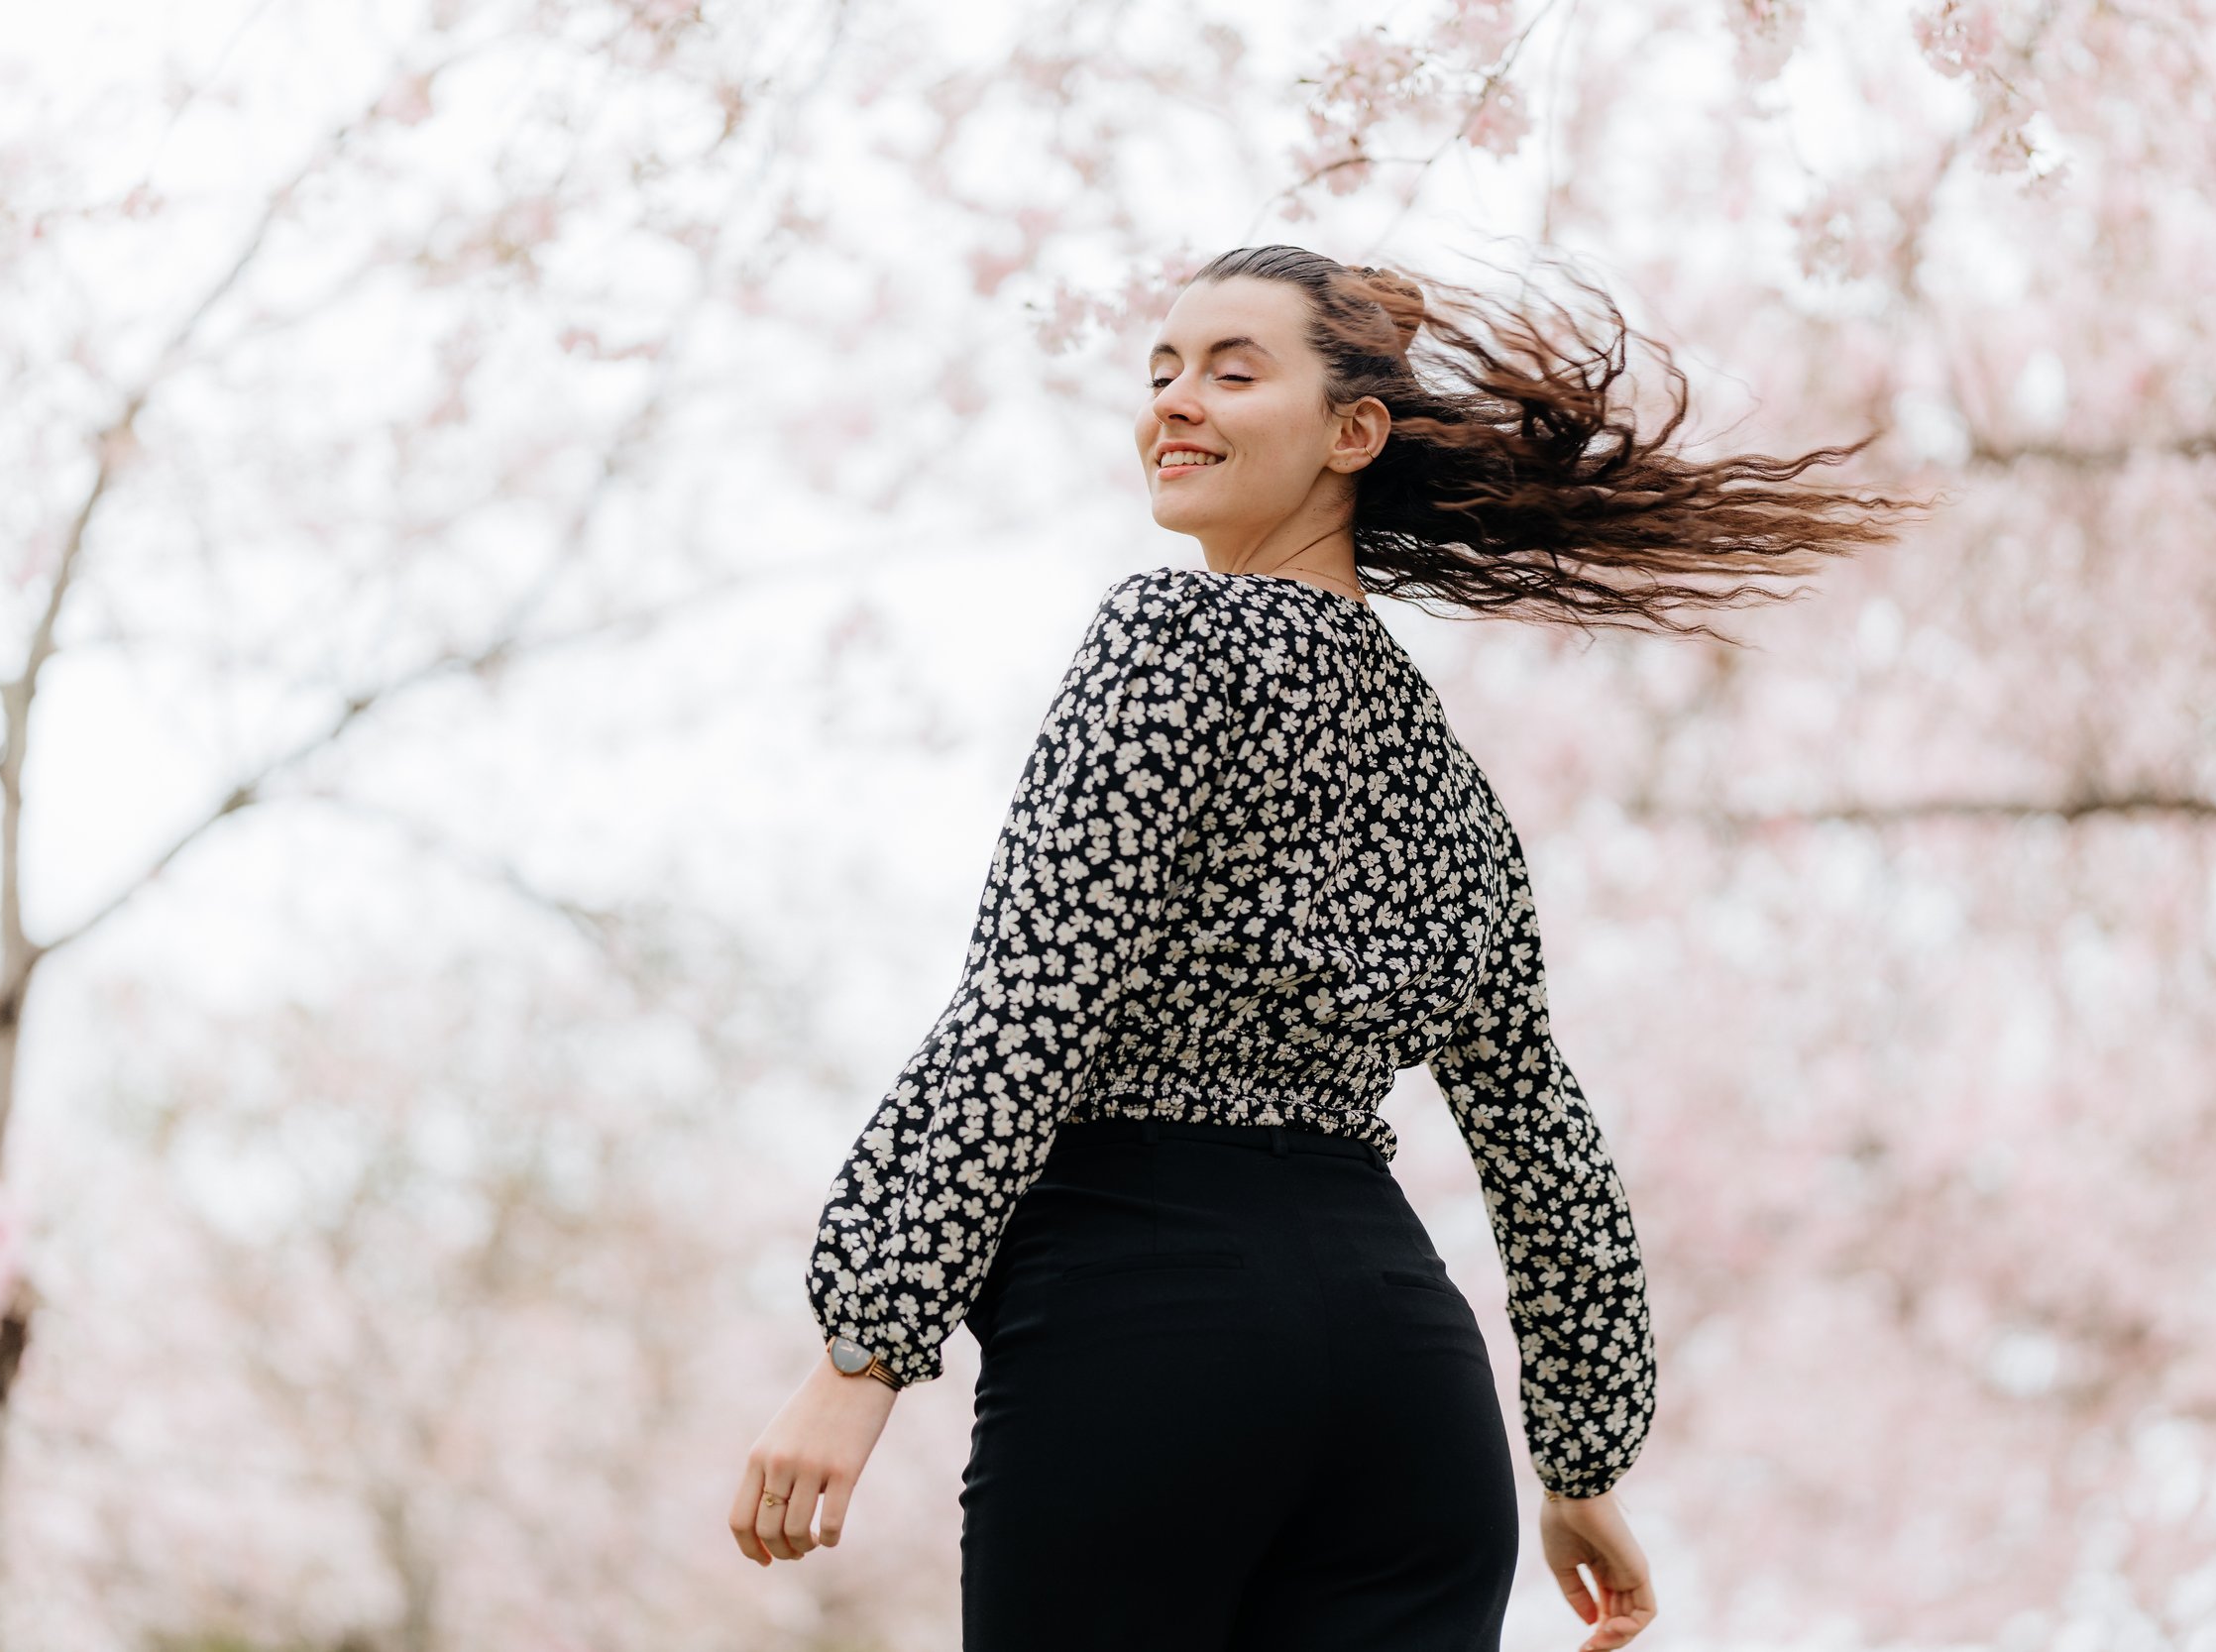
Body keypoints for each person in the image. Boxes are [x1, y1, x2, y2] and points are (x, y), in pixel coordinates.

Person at [731, 244, 1923, 1650]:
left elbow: (1034, 1000)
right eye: (1161, 368)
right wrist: (1581, 1460)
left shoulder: (1168, 636)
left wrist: (863, 1351)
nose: (1174, 401)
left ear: (1353, 434)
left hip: (1147, 1320)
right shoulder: (1452, 778)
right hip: (1406, 1381)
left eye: (1234, 370)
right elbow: (1538, 1128)